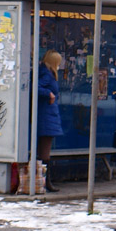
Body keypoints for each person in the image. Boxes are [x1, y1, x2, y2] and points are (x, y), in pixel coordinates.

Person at [36, 50, 64, 192]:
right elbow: (36, 87)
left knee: (44, 151)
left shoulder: (46, 73)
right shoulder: (46, 74)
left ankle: (44, 181)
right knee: (45, 153)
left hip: (48, 116)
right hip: (46, 116)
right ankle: (45, 181)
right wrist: (49, 93)